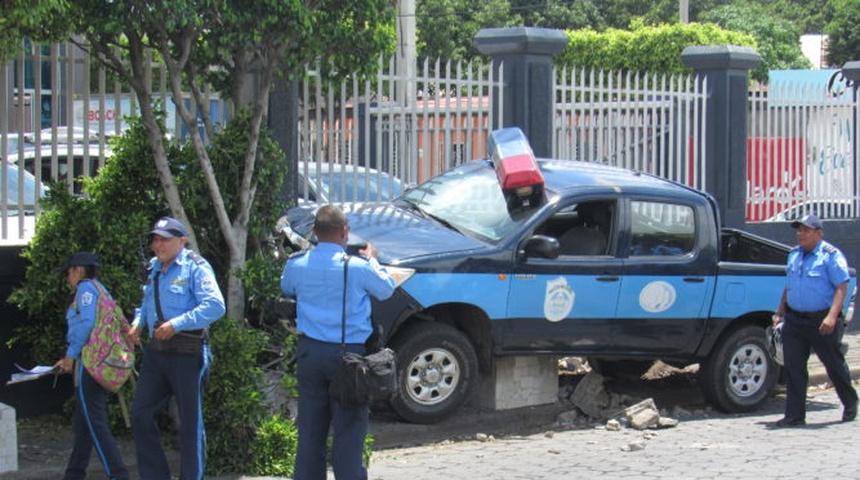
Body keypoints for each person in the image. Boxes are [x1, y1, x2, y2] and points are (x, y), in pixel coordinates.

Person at [280, 205, 396, 480]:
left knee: (310, 432)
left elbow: (287, 288)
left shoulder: (297, 264)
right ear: (345, 232)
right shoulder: (358, 267)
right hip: (348, 358)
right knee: (348, 434)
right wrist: (372, 259)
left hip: (310, 353)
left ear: (313, 232)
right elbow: (386, 289)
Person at [128, 216, 225, 479]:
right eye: (156, 240)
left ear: (181, 241)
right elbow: (146, 302)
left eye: (165, 240)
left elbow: (215, 306)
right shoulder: (154, 268)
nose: (158, 245)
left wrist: (177, 324)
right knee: (140, 415)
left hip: (187, 353)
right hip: (157, 354)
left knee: (189, 424)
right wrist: (138, 324)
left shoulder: (195, 267)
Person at [772, 214, 857, 427]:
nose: (800, 234)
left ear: (818, 234)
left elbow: (841, 287)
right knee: (794, 367)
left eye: (806, 230)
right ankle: (794, 415)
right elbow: (789, 285)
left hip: (821, 320)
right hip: (794, 319)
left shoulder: (830, 256)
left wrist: (831, 316)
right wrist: (779, 312)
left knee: (833, 365)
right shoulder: (794, 255)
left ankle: (850, 403)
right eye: (799, 230)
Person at [54, 251, 130, 480]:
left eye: (68, 271)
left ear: (77, 269)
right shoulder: (100, 288)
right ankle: (74, 473)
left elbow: (86, 323)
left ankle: (118, 475)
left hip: (91, 364)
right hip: (101, 362)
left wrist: (70, 355)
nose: (67, 276)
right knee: (84, 423)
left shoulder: (85, 290)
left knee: (95, 422)